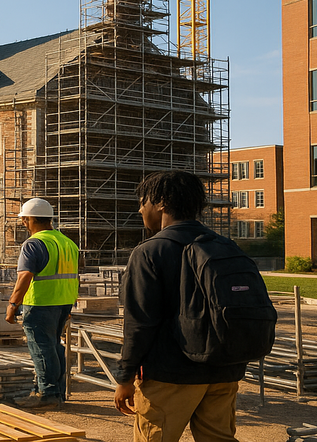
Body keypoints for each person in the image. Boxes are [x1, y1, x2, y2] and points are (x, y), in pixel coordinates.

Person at [113, 170, 245, 442]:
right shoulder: (225, 246)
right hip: (223, 371)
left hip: (170, 375)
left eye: (142, 201)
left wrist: (125, 377)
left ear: (160, 202)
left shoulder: (150, 251)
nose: (140, 209)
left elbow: (139, 323)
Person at [4, 198, 79, 411]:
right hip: (63, 302)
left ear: (30, 219)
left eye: (24, 220)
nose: (23, 224)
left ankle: (47, 393)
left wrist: (12, 305)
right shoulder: (67, 242)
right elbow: (74, 276)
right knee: (55, 346)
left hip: (40, 303)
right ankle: (56, 391)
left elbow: (24, 277)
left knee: (42, 347)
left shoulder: (33, 244)